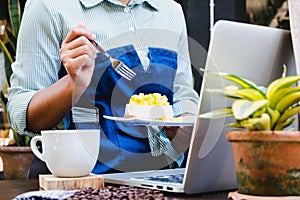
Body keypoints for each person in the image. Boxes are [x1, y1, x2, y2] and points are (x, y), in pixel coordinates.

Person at [7, 0, 199, 174]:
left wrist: (187, 121)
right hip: (91, 181)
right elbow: (20, 113)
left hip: (168, 176)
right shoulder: (49, 6)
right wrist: (72, 84)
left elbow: (183, 92)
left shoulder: (170, 11)